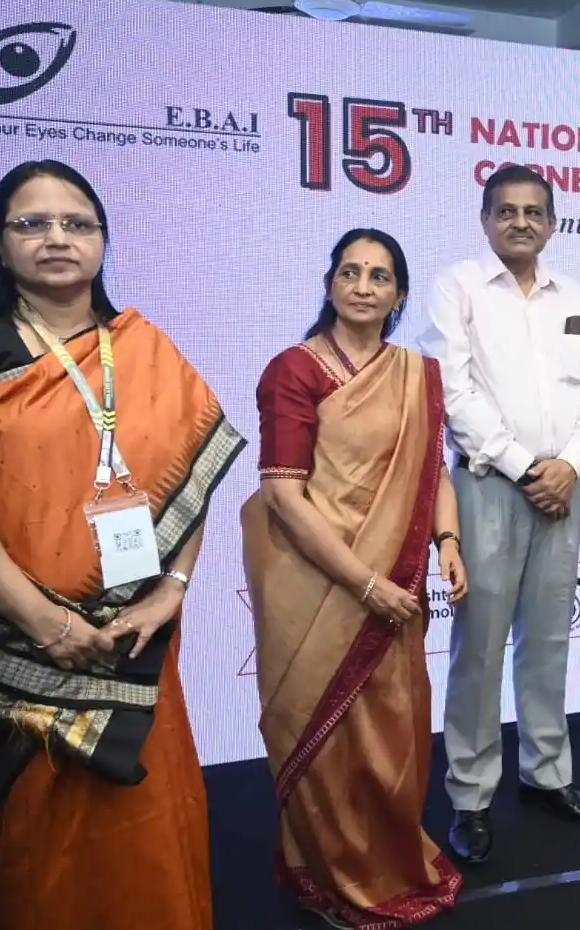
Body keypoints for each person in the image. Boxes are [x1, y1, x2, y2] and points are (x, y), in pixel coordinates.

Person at [0, 159, 245, 930]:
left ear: (102, 239)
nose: (56, 237)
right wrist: (46, 623)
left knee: (142, 839)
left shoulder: (145, 347)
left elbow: (192, 478)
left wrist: (171, 591)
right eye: (31, 223)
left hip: (131, 641)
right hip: (11, 652)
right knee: (29, 861)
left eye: (77, 223)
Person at [243, 228, 466, 927]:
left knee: (392, 731)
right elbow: (284, 494)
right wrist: (366, 584)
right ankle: (332, 876)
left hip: (396, 580)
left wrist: (449, 541)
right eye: (350, 272)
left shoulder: (416, 373)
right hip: (316, 581)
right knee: (325, 735)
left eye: (379, 276)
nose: (363, 286)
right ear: (330, 283)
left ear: (399, 294)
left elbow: (433, 470)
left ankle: (388, 863)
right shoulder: (295, 370)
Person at [420, 165, 580, 864]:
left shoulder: (574, 295)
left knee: (550, 638)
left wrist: (572, 462)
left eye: (534, 212)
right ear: (485, 219)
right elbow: (453, 391)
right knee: (479, 645)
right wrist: (526, 467)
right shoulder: (459, 288)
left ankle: (547, 773)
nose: (521, 222)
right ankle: (471, 795)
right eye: (507, 211)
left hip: (563, 485)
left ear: (552, 223)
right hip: (489, 487)